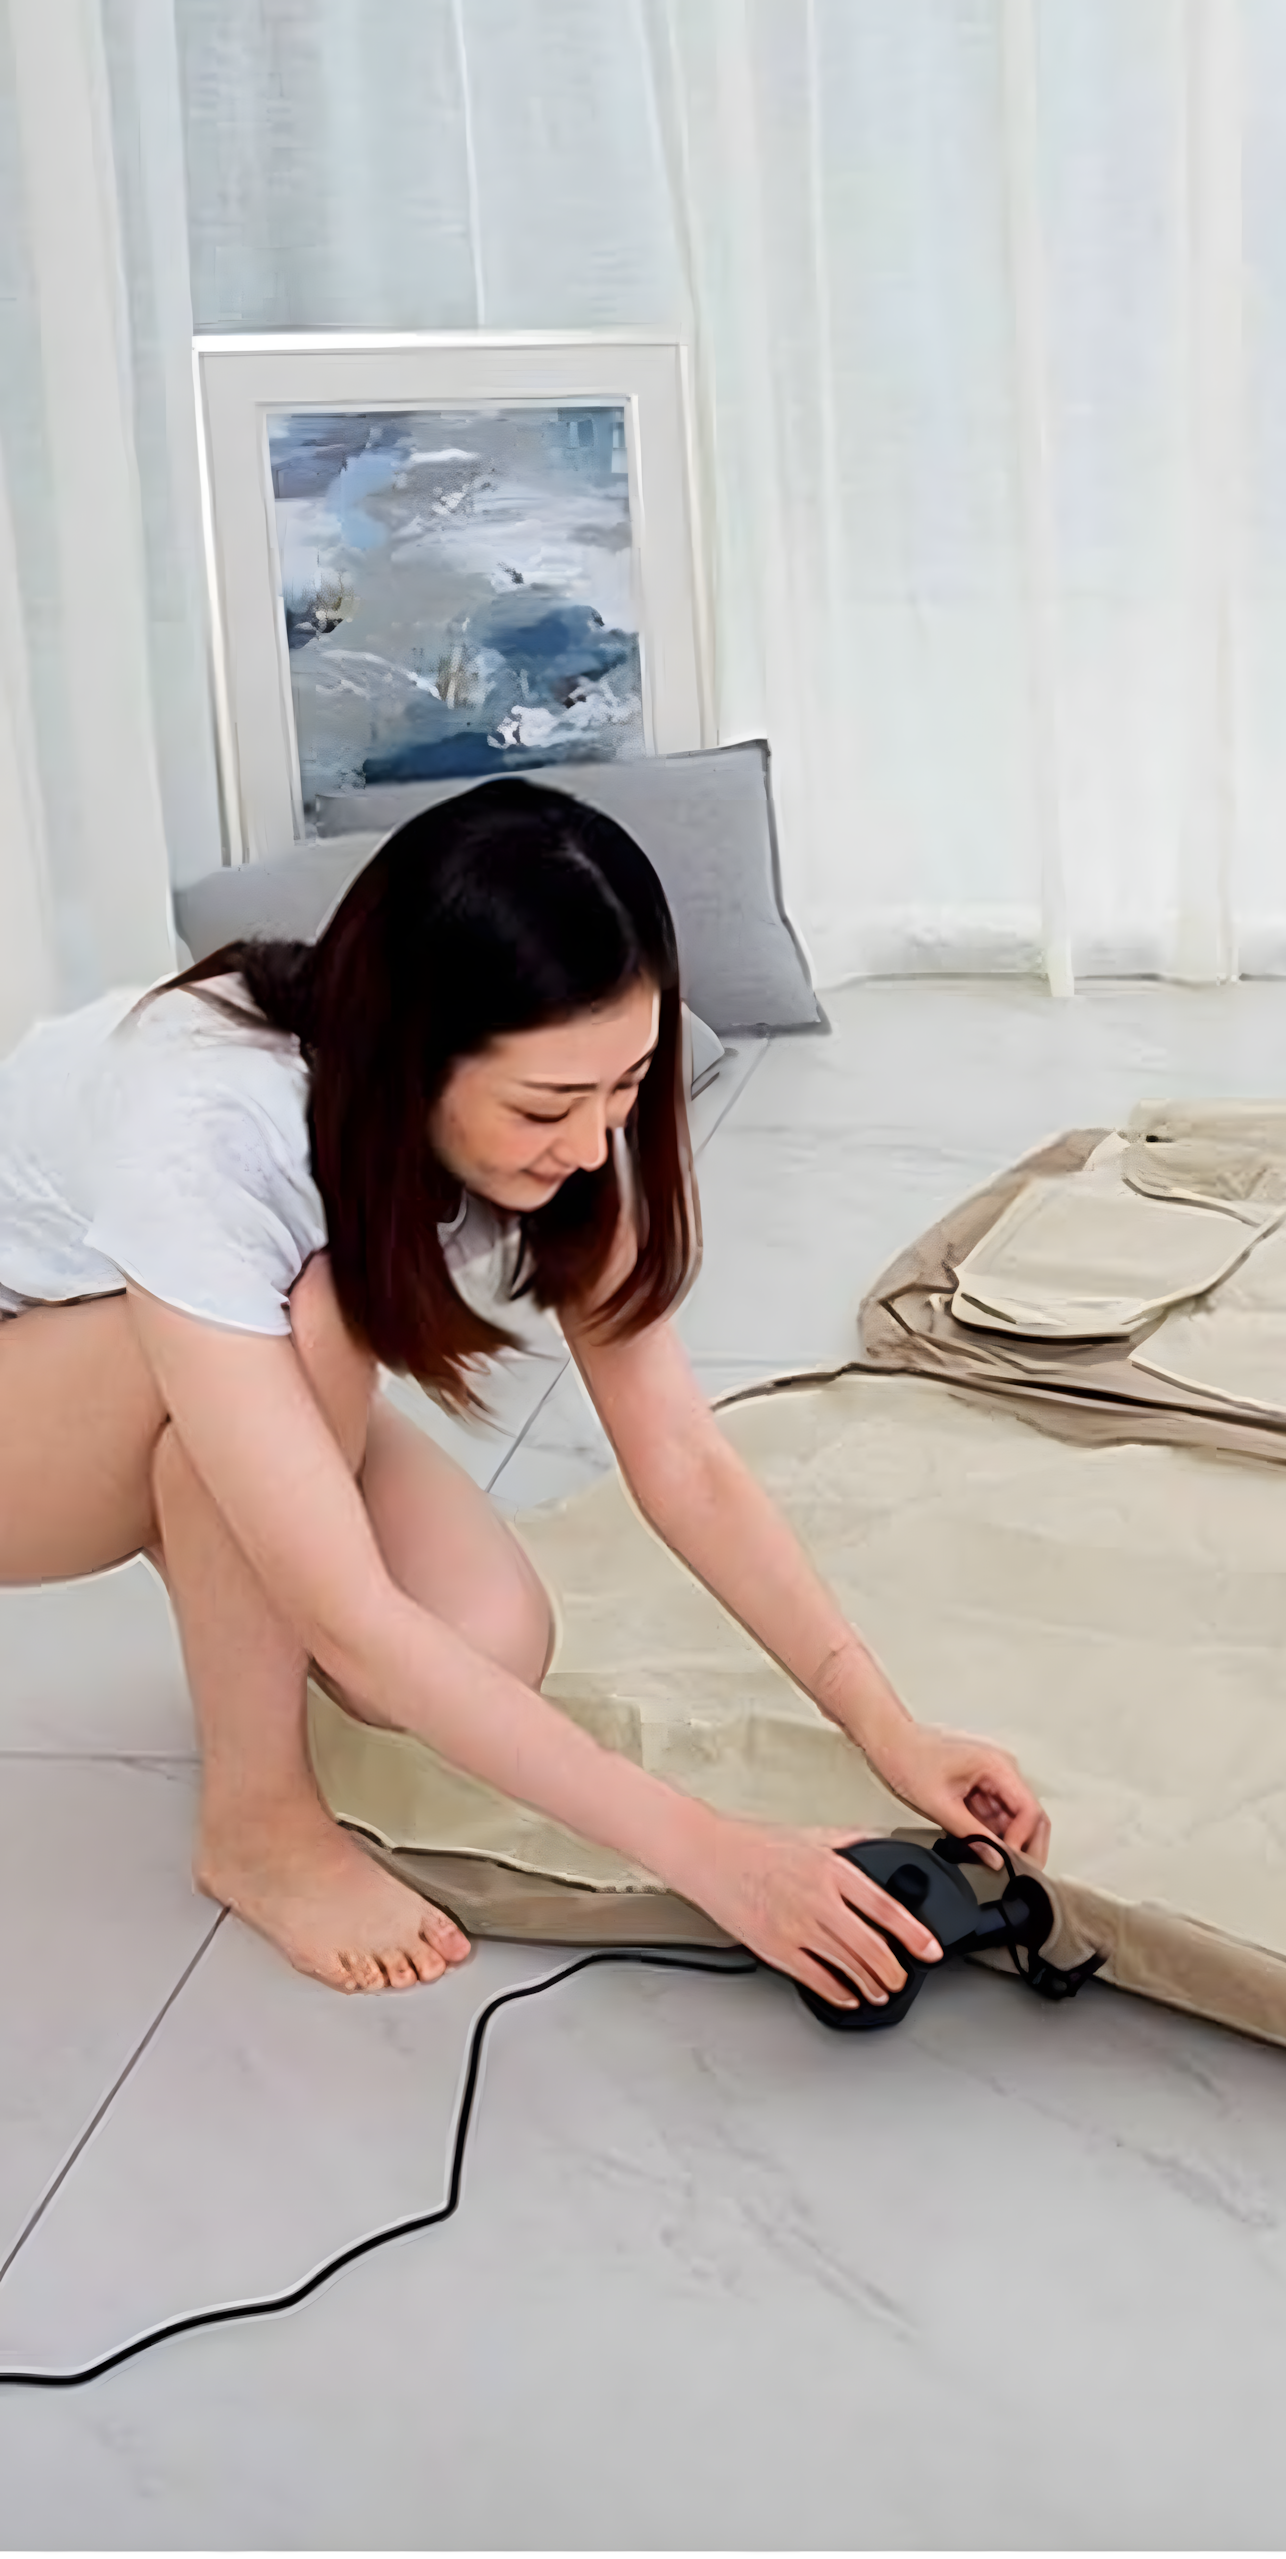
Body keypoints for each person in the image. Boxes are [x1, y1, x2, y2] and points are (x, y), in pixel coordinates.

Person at [0, 779, 1049, 2000]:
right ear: (411, 1056)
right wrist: (715, 1857)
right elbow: (354, 1626)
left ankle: (237, 1560)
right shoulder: (210, 1125)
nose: (596, 1143)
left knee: (486, 1639)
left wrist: (886, 1726)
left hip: (154, 1350)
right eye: (546, 1105)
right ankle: (258, 1822)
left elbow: (683, 1461)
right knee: (319, 1326)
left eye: (628, 1085)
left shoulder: (579, 1120)